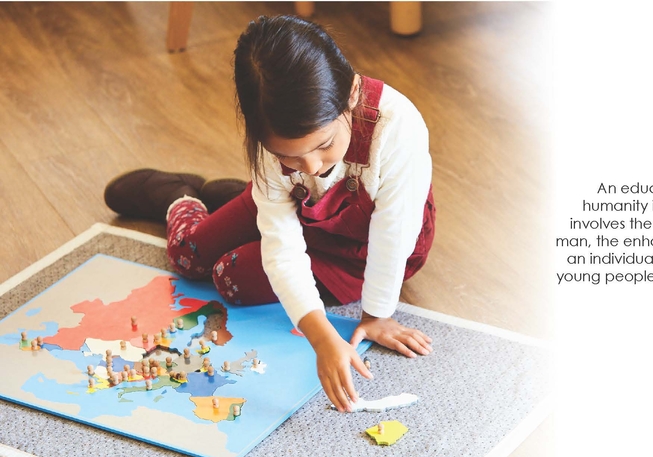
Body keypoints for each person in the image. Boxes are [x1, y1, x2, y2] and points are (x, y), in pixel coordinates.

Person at [104, 14, 436, 412]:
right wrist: (320, 335)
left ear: (348, 96)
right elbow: (282, 248)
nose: (312, 166)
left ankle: (231, 198)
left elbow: (393, 234)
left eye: (325, 145)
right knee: (185, 255)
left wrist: (377, 314)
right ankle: (176, 193)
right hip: (299, 209)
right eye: (288, 156)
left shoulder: (397, 126)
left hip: (358, 247)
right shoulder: (270, 143)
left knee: (230, 277)